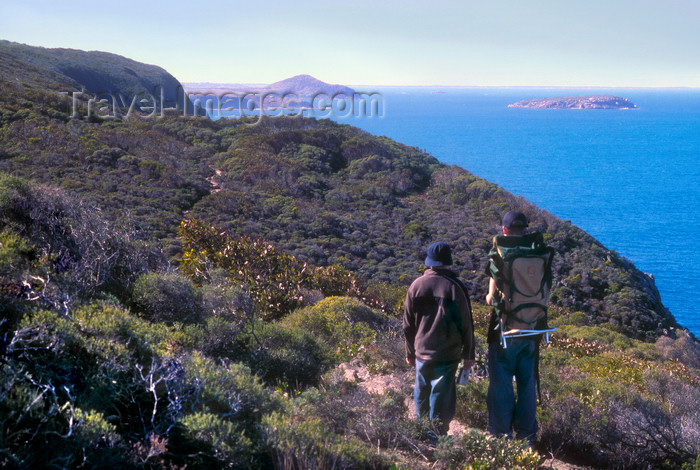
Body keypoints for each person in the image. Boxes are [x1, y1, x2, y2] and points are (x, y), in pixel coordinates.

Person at [403, 241, 475, 437]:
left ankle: (421, 429)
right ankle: (436, 434)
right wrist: (469, 354)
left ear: (429, 262)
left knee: (422, 391)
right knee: (441, 395)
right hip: (447, 353)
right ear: (448, 262)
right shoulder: (455, 287)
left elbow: (407, 325)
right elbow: (467, 325)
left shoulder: (416, 286)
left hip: (421, 351)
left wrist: (410, 352)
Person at [485, 210, 543, 443]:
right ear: (526, 230)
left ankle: (501, 436)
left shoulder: (501, 256)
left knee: (501, 385)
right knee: (528, 385)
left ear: (505, 230)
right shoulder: (539, 255)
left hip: (505, 330)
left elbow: (491, 299)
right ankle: (527, 436)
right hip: (533, 329)